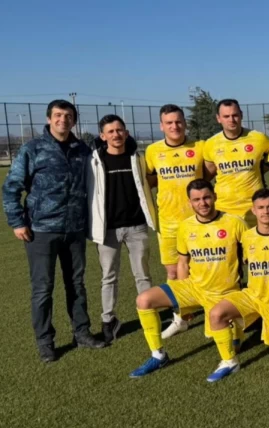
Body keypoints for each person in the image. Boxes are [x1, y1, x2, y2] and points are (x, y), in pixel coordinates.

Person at [2, 99, 105, 362]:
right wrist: (17, 222)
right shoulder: (33, 149)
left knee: (76, 284)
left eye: (68, 115)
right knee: (42, 289)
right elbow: (12, 187)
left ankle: (81, 333)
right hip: (41, 231)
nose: (63, 119)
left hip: (75, 229)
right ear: (49, 119)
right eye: (58, 115)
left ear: (74, 120)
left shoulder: (82, 150)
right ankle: (45, 341)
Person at [128, 180, 247, 378]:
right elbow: (183, 264)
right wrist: (183, 306)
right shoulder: (185, 227)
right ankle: (158, 355)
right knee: (144, 300)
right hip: (194, 287)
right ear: (190, 202)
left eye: (207, 197)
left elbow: (251, 256)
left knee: (234, 345)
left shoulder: (235, 223)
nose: (203, 203)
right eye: (197, 199)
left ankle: (230, 361)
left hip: (224, 293)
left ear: (215, 197)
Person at [207, 188, 269, 382]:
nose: (266, 211)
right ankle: (229, 362)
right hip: (252, 296)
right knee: (216, 314)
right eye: (261, 207)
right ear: (253, 210)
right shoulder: (247, 237)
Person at [87, 114, 157, 344]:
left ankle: (149, 313)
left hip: (137, 227)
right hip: (107, 230)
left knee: (142, 274)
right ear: (102, 136)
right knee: (108, 277)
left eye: (119, 130)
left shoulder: (138, 158)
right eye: (110, 131)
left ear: (126, 133)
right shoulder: (94, 162)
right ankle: (108, 320)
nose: (116, 135)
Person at [145, 104, 206, 339]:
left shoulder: (199, 147)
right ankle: (180, 318)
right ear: (161, 126)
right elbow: (149, 180)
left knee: (208, 267)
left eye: (178, 121)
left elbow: (209, 174)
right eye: (169, 123)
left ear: (185, 123)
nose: (174, 126)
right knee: (172, 272)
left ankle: (216, 313)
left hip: (199, 221)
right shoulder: (152, 151)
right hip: (168, 223)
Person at [204, 99, 269, 227]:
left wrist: (260, 169)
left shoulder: (258, 138)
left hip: (255, 208)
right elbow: (207, 175)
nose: (231, 119)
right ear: (218, 118)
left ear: (241, 115)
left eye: (235, 115)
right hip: (224, 209)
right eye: (226, 116)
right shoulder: (211, 144)